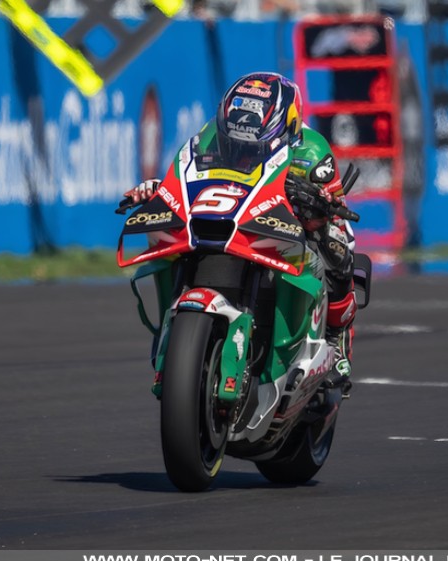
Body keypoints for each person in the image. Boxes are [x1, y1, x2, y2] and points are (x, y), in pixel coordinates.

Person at [123, 72, 356, 386]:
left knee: (337, 247)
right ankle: (173, 330)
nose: (241, 147)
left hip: (291, 223)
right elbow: (181, 178)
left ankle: (335, 338)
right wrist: (156, 189)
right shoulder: (207, 138)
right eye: (234, 139)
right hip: (234, 217)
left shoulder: (312, 152)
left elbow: (334, 211)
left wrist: (318, 203)